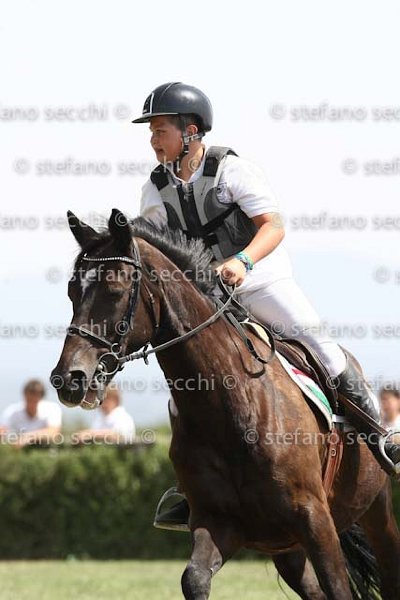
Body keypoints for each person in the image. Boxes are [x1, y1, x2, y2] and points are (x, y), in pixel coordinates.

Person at [132, 82, 400, 529]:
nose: (153, 140)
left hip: (260, 279)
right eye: (151, 132)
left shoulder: (231, 171)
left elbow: (273, 226)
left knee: (317, 342)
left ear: (190, 130)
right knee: (186, 389)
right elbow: (154, 249)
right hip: (210, 298)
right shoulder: (155, 189)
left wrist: (242, 261)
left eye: (160, 130)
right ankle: (190, 488)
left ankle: (380, 436)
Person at [0, 379, 62, 445]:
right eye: (29, 399)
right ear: (24, 395)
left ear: (41, 398)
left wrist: (29, 437)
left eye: (35, 400)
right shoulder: (11, 411)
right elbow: (3, 429)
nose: (32, 402)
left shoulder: (52, 409)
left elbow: (54, 432)